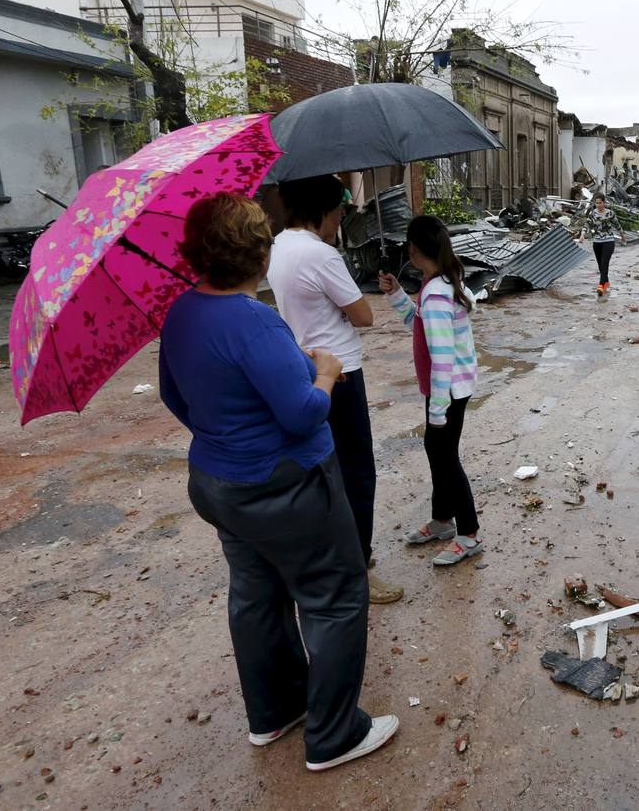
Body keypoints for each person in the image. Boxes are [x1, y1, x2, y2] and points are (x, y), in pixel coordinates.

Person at [158, 192, 397, 772]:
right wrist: (327, 373)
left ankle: (275, 712)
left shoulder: (182, 312)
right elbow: (300, 413)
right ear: (259, 255)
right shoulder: (254, 321)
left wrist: (225, 436)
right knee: (335, 597)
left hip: (219, 485)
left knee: (257, 595)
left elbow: (173, 395)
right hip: (286, 489)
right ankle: (335, 733)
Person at [268, 174, 402, 605]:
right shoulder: (321, 255)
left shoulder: (278, 246)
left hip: (300, 367)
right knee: (357, 473)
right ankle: (356, 569)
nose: (342, 216)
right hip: (341, 374)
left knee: (318, 470)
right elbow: (364, 316)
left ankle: (331, 557)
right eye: (339, 209)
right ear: (322, 210)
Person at [378, 217, 482, 568]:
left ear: (412, 248)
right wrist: (396, 295)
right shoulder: (435, 285)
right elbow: (417, 325)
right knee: (436, 450)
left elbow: (442, 359)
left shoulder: (437, 293)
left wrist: (438, 409)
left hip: (447, 389)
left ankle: (468, 533)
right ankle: (442, 520)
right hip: (445, 388)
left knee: (445, 456)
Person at [583, 193, 624, 294]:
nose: (598, 205)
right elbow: (587, 224)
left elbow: (617, 225)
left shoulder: (610, 213)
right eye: (596, 203)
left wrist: (623, 236)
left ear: (604, 202)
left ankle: (601, 285)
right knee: (600, 264)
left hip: (608, 241)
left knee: (604, 263)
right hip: (597, 242)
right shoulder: (593, 214)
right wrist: (582, 235)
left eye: (600, 203)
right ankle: (606, 281)